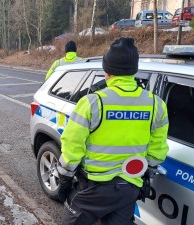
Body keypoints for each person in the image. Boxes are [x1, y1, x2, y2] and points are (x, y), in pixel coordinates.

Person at [57, 37, 169, 225]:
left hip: (92, 188)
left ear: (107, 72)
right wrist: (146, 171)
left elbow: (72, 146)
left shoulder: (93, 102)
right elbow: (157, 149)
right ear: (133, 70)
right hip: (129, 187)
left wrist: (64, 178)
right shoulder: (155, 104)